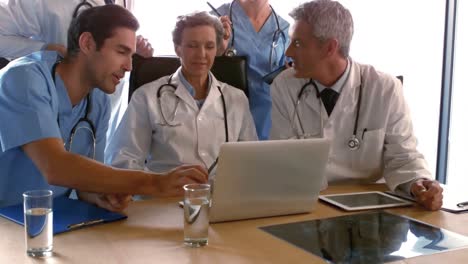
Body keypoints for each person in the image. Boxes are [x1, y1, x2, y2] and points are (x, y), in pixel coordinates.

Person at [0, 5, 207, 211]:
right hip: (7, 224)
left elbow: (85, 181)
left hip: (54, 221)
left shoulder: (98, 100)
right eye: (121, 52)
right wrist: (155, 183)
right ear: (88, 43)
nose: (129, 67)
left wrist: (100, 195)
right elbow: (55, 167)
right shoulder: (24, 79)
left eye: (131, 56)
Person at [269, 0, 443, 210]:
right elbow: (282, 161)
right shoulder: (284, 85)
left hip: (370, 210)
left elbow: (403, 157)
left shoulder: (385, 88)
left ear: (329, 48)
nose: (288, 52)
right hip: (309, 204)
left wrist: (418, 183)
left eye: (298, 43)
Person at [106, 11, 257, 177]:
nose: (201, 54)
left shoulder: (236, 99)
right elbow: (124, 160)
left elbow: (250, 160)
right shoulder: (146, 97)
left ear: (217, 50)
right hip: (163, 198)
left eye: (209, 46)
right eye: (192, 45)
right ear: (177, 48)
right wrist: (158, 183)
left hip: (222, 197)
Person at [0, 0, 154, 145]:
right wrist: (44, 50)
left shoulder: (118, 4)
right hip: (46, 110)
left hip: (98, 115)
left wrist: (129, 47)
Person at [213, 0, 289, 140]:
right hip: (224, 116)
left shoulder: (284, 29)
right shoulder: (214, 20)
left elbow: (293, 82)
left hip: (269, 120)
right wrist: (215, 51)